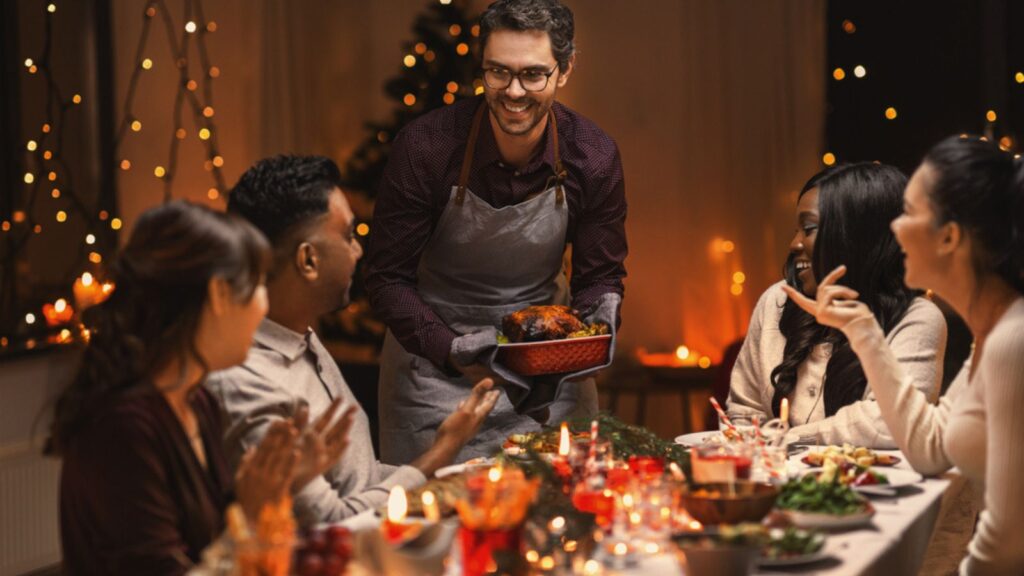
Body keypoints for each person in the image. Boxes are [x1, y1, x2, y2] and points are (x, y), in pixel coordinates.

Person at [365, 0, 628, 464]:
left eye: (533, 75)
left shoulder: (593, 155)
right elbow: (386, 279)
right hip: (432, 376)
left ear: (565, 69)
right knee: (433, 529)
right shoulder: (426, 147)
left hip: (547, 378)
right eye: (498, 73)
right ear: (482, 67)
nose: (513, 92)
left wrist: (594, 326)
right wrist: (453, 351)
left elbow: (599, 279)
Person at [53, 202, 353, 575]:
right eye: (259, 285)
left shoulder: (197, 402)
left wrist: (284, 486)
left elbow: (212, 541)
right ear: (218, 295)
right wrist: (249, 513)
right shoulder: (122, 429)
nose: (264, 307)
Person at [208, 155, 500, 525]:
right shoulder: (246, 380)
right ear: (308, 260)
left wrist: (451, 475)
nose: (358, 251)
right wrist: (442, 452)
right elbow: (330, 520)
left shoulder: (300, 336)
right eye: (348, 236)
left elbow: (354, 482)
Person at [786, 136, 1024, 574]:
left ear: (949, 237)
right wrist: (863, 332)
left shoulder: (1013, 341)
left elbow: (1007, 547)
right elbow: (932, 448)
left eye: (910, 215)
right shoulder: (991, 336)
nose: (893, 230)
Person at [727, 163, 946, 446]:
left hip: (874, 488)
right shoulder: (778, 301)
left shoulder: (917, 318)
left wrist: (789, 438)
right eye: (797, 229)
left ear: (858, 237)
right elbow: (745, 410)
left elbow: (891, 423)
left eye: (809, 228)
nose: (794, 244)